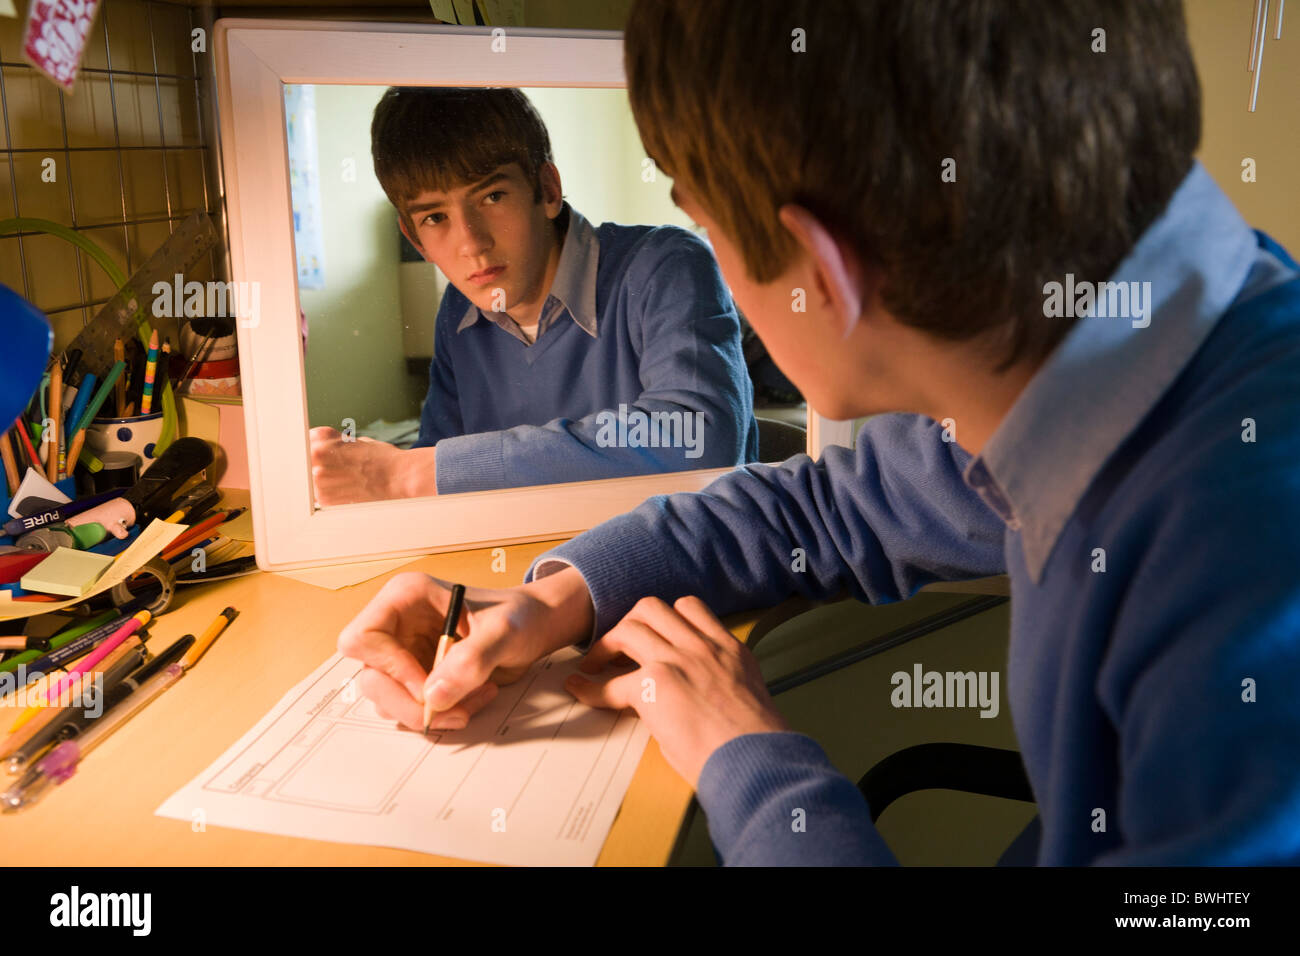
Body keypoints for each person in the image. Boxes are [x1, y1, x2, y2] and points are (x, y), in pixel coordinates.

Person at [336, 0, 1300, 865]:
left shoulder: (1236, 603)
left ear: (823, 273)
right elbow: (831, 506)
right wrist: (557, 598)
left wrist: (749, 759)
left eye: (707, 224)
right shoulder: (1120, 341)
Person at [310, 86, 758, 502]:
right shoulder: (458, 311)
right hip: (525, 577)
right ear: (414, 238)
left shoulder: (666, 264)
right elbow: (436, 467)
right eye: (434, 218)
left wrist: (410, 474)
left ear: (547, 190)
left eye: (492, 196)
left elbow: (698, 440)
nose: (472, 243)